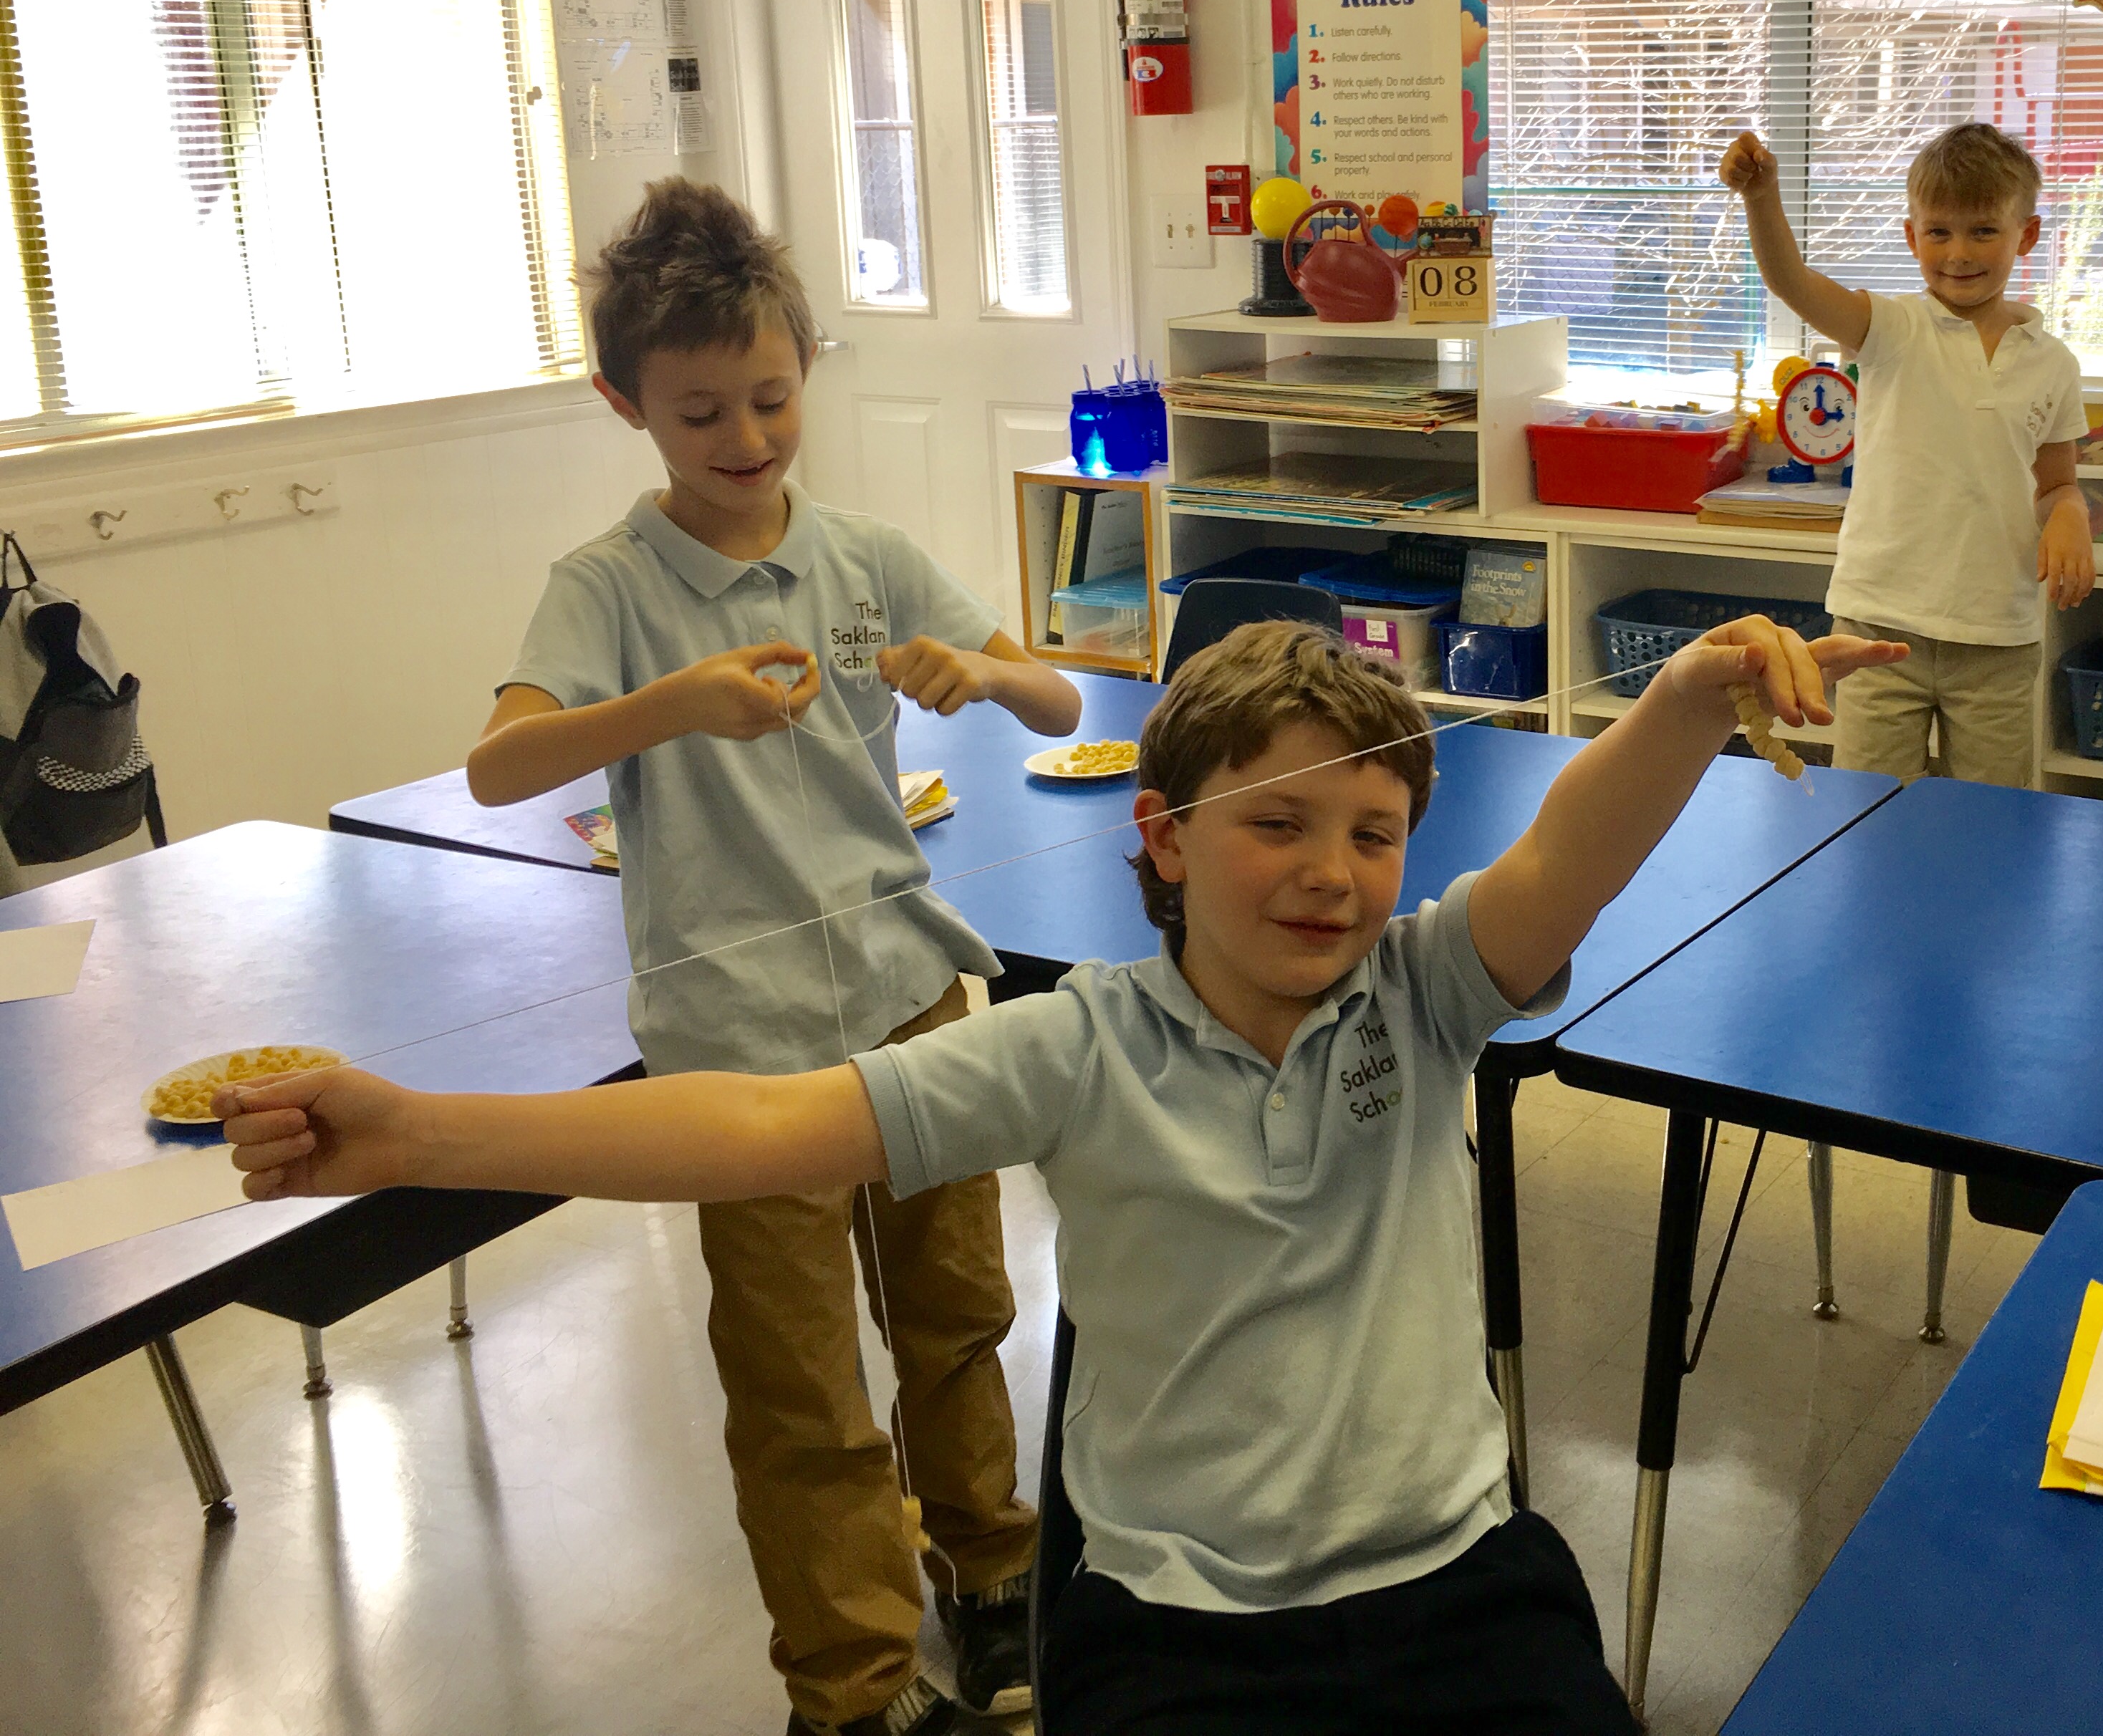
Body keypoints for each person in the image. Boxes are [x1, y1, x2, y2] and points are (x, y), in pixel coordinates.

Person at [221, 615, 1902, 1735]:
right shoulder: (1077, 1045)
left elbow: (1571, 853)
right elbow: (764, 1128)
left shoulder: (1428, 990)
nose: (1331, 873)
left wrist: (1686, 700)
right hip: (1181, 1635)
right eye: (1278, 823)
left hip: (1458, 1588)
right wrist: (427, 1135)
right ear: (1163, 834)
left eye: (1374, 835)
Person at [467, 178, 1082, 1735]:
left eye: (769, 397)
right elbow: (499, 764)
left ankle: (991, 1576)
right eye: (699, 413)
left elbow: (1061, 701)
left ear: (807, 366)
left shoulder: (863, 554)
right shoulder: (606, 589)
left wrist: (983, 671)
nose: (744, 437)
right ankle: (852, 1682)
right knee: (799, 1379)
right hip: (734, 1047)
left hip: (911, 1003)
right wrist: (669, 705)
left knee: (958, 1316)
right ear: (624, 404)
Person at [1719, 120, 2093, 786]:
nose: (1959, 253)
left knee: (1990, 818)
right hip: (1878, 625)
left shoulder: (2054, 362)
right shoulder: (1890, 328)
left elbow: (2057, 483)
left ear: (2027, 235)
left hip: (1998, 637)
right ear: (1912, 236)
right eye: (1939, 232)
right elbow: (1790, 280)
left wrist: (2071, 514)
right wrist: (1762, 196)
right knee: (1866, 808)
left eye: (1984, 231)